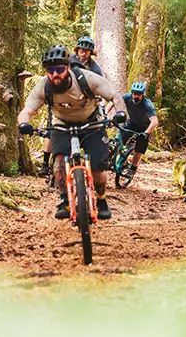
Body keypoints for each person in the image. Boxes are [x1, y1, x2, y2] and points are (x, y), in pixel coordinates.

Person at [18, 45, 126, 220]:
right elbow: (28, 109)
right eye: (50, 70)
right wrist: (24, 123)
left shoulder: (87, 78)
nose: (55, 74)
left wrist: (120, 113)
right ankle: (64, 200)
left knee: (98, 167)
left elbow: (115, 96)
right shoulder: (44, 86)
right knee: (59, 162)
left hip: (92, 124)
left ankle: (101, 199)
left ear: (68, 67)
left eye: (59, 69)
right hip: (61, 125)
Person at [40, 35, 103, 176]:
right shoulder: (68, 61)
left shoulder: (95, 68)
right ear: (77, 49)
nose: (84, 53)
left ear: (91, 52)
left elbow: (99, 84)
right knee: (52, 130)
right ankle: (45, 163)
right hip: (59, 101)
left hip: (82, 105)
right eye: (82, 49)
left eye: (87, 51)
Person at [117, 82, 159, 173]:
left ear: (142, 95)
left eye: (139, 94)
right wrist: (105, 113)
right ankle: (114, 157)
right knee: (118, 138)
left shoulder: (147, 104)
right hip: (132, 123)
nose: (136, 96)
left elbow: (155, 121)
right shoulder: (126, 97)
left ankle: (133, 168)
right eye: (134, 93)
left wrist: (147, 132)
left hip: (144, 127)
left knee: (139, 148)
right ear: (131, 93)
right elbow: (114, 101)